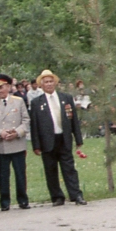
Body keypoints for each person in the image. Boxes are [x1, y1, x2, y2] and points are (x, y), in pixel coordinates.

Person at [29, 70, 87, 206]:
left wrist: (78, 139)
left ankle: (76, 195)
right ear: (41, 85)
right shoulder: (37, 102)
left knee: (69, 168)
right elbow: (34, 125)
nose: (49, 84)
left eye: (51, 81)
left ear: (55, 83)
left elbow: (74, 121)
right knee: (50, 170)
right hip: (47, 141)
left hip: (64, 138)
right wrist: (36, 145)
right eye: (46, 82)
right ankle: (57, 196)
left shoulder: (65, 98)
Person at [0, 74, 31, 212]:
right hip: (1, 145)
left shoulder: (19, 101)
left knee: (20, 173)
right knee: (3, 175)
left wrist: (17, 132)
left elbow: (26, 120)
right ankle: (5, 201)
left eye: (1, 87)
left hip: (17, 143)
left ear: (9, 87)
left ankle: (23, 199)